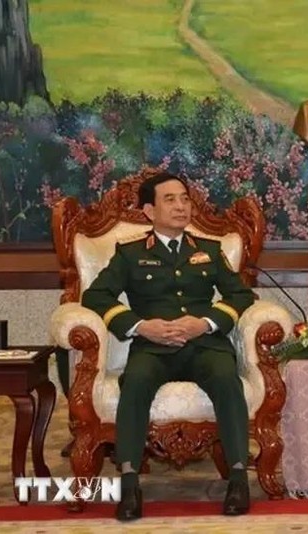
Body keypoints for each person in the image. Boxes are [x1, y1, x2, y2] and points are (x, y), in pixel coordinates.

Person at [81, 172, 256, 521]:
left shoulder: (208, 250)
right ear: (149, 210)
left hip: (205, 345)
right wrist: (140, 326)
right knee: (135, 381)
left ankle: (238, 479)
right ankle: (129, 484)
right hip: (152, 347)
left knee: (227, 378)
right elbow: (95, 295)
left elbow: (240, 294)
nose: (181, 206)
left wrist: (204, 323)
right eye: (170, 200)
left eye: (185, 199)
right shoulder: (130, 254)